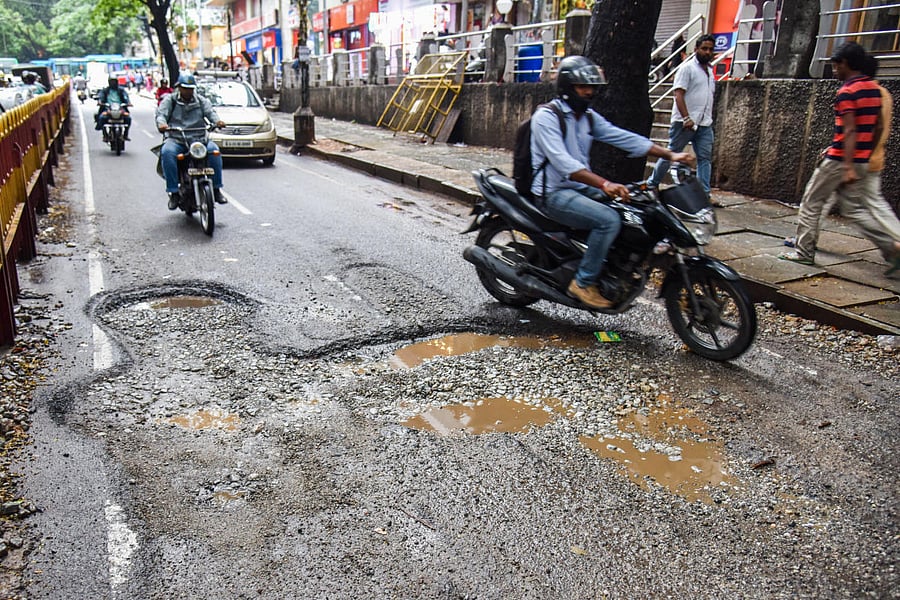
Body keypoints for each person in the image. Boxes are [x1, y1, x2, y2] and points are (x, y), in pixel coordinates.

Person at [530, 55, 694, 309]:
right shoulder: (547, 117)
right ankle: (583, 282)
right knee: (608, 220)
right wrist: (605, 184)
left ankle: (611, 268)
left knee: (632, 209)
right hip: (552, 193)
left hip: (579, 188)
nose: (589, 92)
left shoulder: (586, 117)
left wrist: (670, 154)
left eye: (591, 87)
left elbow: (622, 137)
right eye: (582, 87)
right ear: (566, 87)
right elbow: (564, 164)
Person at [779, 42, 897, 268]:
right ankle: (892, 249)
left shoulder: (847, 92)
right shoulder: (875, 90)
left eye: (836, 65)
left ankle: (803, 252)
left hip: (840, 160)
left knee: (811, 203)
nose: (834, 70)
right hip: (862, 160)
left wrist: (848, 165)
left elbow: (849, 130)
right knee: (854, 210)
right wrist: (864, 154)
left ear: (845, 64)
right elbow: (879, 127)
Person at [646, 34, 717, 197]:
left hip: (704, 123)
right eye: (704, 48)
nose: (707, 52)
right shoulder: (687, 68)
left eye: (710, 49)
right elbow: (678, 94)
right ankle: (652, 184)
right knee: (670, 154)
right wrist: (686, 118)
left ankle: (704, 194)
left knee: (705, 159)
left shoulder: (710, 71)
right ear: (696, 49)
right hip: (685, 122)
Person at [156, 74, 227, 210]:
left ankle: (217, 189)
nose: (188, 91)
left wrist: (217, 121)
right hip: (177, 139)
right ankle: (173, 192)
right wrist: (162, 124)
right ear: (179, 88)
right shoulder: (170, 100)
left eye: (190, 88)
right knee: (167, 152)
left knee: (214, 151)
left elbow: (210, 113)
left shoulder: (201, 101)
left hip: (199, 139)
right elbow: (161, 115)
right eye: (185, 88)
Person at [96, 76, 132, 141]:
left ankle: (125, 134)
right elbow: (101, 96)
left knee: (128, 118)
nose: (113, 83)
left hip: (120, 108)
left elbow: (125, 97)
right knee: (101, 118)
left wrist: (128, 102)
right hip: (108, 108)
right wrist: (100, 102)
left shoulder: (121, 90)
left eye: (114, 81)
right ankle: (105, 135)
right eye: (112, 82)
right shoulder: (105, 90)